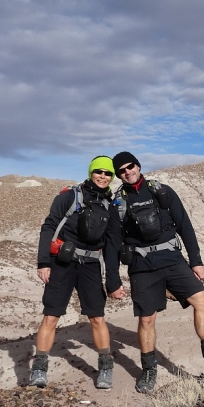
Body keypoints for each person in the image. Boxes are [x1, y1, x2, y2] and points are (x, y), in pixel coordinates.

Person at [105, 151, 204, 393]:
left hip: (172, 260)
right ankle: (148, 370)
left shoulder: (162, 191)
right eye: (122, 170)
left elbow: (184, 225)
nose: (127, 172)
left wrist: (196, 261)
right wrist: (113, 281)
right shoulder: (118, 203)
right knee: (147, 318)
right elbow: (113, 243)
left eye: (130, 166)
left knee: (201, 299)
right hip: (142, 266)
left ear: (138, 165)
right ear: (119, 175)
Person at [30, 156, 118, 389]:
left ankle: (105, 368)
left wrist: (112, 279)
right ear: (91, 172)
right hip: (62, 262)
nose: (103, 176)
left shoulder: (110, 204)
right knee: (51, 315)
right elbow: (49, 226)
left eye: (108, 173)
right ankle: (39, 368)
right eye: (98, 171)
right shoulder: (70, 195)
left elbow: (110, 245)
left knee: (97, 317)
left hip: (90, 265)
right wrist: (43, 262)